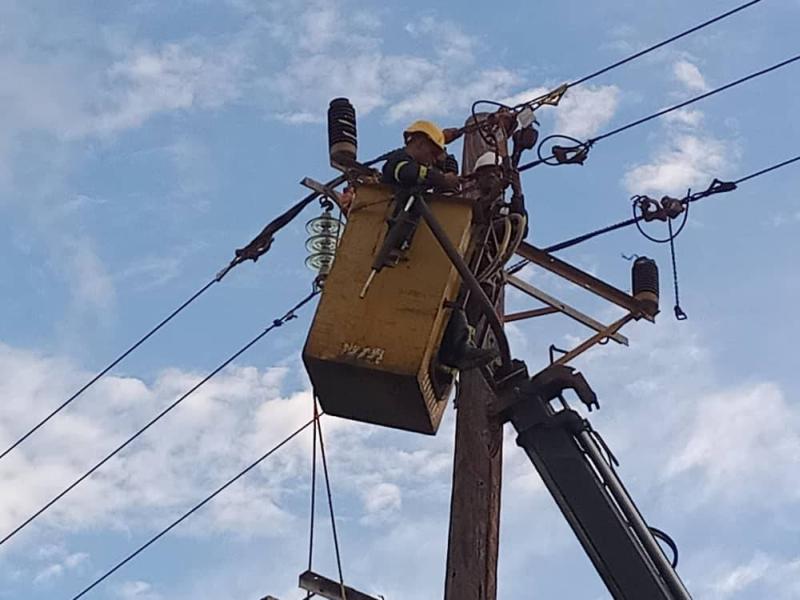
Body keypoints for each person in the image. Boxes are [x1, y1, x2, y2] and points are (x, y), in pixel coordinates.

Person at [380, 120, 498, 371]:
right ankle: (456, 351)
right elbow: (408, 173)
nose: (432, 160)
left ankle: (455, 349)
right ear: (419, 143)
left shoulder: (423, 166)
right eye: (431, 153)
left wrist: (445, 161)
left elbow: (439, 173)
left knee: (451, 296)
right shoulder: (397, 161)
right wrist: (440, 177)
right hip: (395, 241)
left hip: (416, 248)